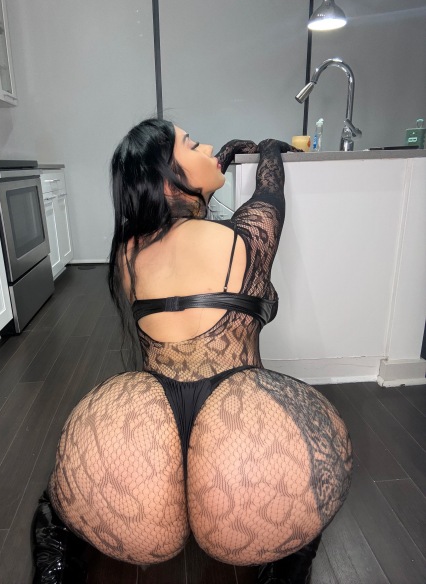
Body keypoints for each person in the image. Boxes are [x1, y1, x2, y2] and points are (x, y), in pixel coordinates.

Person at [32, 118, 353, 584]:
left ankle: (54, 568)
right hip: (241, 442)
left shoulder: (127, 252)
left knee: (57, 504)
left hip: (146, 426)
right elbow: (270, 189)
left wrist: (218, 158)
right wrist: (268, 147)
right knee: (305, 476)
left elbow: (185, 205)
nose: (207, 147)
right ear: (169, 178)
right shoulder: (247, 237)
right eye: (193, 143)